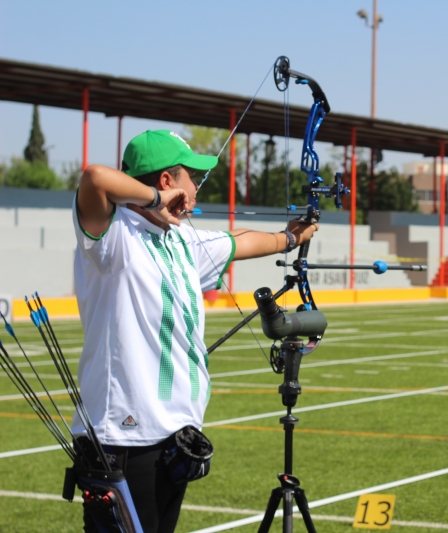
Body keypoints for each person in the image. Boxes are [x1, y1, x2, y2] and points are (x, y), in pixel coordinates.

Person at [72, 129, 317, 533]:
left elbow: (239, 242)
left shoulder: (180, 239)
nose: (198, 188)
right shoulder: (112, 238)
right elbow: (95, 178)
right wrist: (155, 200)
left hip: (174, 434)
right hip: (123, 440)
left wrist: (290, 237)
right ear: (167, 182)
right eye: (192, 178)